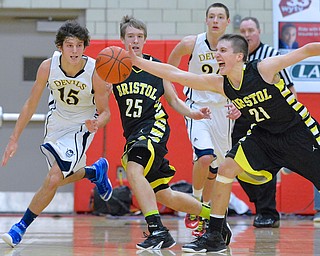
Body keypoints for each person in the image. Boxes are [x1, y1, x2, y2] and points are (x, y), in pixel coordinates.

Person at [128, 34, 320, 253]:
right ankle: (215, 235)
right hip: (265, 135)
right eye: (215, 50)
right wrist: (138, 61)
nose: (215, 55)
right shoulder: (222, 84)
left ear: (239, 56)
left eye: (222, 51)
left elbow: (306, 50)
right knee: (226, 167)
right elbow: (177, 75)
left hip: (299, 134)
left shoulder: (263, 69)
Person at [114, 15, 232, 250]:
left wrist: (193, 114)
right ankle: (215, 218)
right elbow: (100, 104)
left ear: (145, 40)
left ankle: (158, 231)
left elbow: (173, 100)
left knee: (133, 167)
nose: (135, 41)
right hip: (133, 133)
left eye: (139, 37)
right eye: (130, 37)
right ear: (122, 39)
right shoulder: (114, 68)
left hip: (154, 126)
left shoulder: (156, 68)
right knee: (163, 194)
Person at [1, 20, 113, 248]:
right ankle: (93, 171)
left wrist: (96, 123)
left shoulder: (95, 72)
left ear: (85, 47)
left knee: (53, 177)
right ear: (60, 47)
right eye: (70, 45)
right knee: (56, 177)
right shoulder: (47, 67)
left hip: (81, 125)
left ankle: (19, 227)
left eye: (79, 45)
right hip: (56, 123)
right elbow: (30, 105)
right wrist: (14, 139)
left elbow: (106, 112)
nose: (74, 50)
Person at [167, 2, 241, 237]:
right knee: (204, 157)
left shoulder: (233, 48)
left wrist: (238, 103)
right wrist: (172, 92)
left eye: (220, 17)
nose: (216, 20)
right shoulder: (192, 43)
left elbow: (240, 80)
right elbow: (171, 64)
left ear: (227, 22)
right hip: (198, 108)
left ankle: (208, 213)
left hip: (223, 111)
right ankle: (196, 203)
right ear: (206, 20)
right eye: (212, 16)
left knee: (220, 169)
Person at [238, 16, 297, 228]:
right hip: (240, 119)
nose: (246, 35)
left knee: (266, 165)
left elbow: (289, 89)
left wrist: (291, 123)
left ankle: (268, 212)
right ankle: (260, 205)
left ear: (259, 31)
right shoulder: (235, 57)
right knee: (235, 164)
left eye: (250, 30)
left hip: (267, 118)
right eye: (243, 30)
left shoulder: (271, 55)